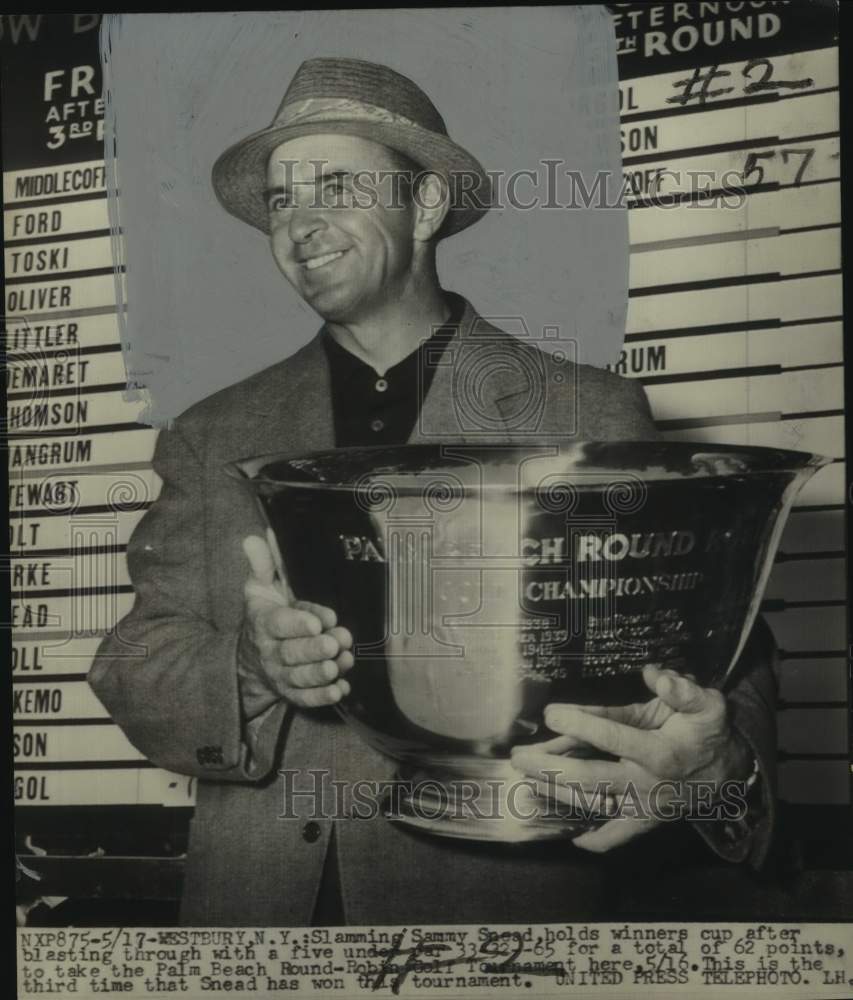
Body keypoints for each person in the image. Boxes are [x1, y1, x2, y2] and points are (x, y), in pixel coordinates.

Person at [89, 57, 777, 926]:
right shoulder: (210, 432)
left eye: (336, 186)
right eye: (281, 199)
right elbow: (138, 658)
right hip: (256, 920)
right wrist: (250, 665)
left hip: (504, 915)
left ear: (424, 207)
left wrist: (723, 775)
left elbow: (727, 637)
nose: (301, 224)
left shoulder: (585, 408)